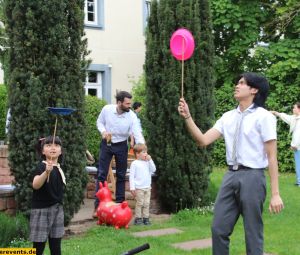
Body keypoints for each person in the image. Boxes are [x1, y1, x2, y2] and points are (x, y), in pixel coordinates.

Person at [178, 72, 284, 255]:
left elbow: (272, 157)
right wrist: (188, 117)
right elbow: (203, 140)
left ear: (254, 89)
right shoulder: (228, 116)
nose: (237, 85)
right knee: (218, 229)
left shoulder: (264, 117)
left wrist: (275, 194)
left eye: (242, 83)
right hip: (230, 177)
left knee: (252, 232)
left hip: (253, 177)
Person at [94, 91, 145, 217]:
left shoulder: (132, 116)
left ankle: (120, 205)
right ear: (119, 102)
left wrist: (143, 149)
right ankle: (98, 207)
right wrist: (103, 131)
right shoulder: (107, 109)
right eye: (127, 103)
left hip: (122, 145)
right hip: (107, 144)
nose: (130, 106)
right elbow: (99, 122)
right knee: (101, 174)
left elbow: (137, 132)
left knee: (121, 175)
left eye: (130, 103)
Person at [30, 136, 66, 255]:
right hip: (41, 211)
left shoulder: (60, 169)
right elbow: (35, 184)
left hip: (57, 210)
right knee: (38, 247)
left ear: (60, 151)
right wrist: (46, 172)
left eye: (56, 145)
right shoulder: (41, 167)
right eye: (48, 145)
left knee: (56, 245)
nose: (53, 148)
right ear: (43, 151)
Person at [271, 102, 300, 186]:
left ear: (299, 109)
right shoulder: (295, 118)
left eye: (294, 108)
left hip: (298, 147)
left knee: (299, 164)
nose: (293, 109)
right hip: (298, 147)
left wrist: (294, 145)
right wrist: (275, 113)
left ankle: (299, 182)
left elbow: (299, 134)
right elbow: (285, 116)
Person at [129, 143, 156, 225]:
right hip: (139, 188)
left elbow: (154, 169)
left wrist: (150, 160)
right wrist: (132, 188)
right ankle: (138, 218)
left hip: (147, 187)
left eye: (146, 152)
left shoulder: (147, 162)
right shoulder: (135, 163)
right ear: (137, 154)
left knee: (147, 203)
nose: (146, 154)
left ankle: (146, 218)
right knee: (140, 203)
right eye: (143, 152)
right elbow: (131, 177)